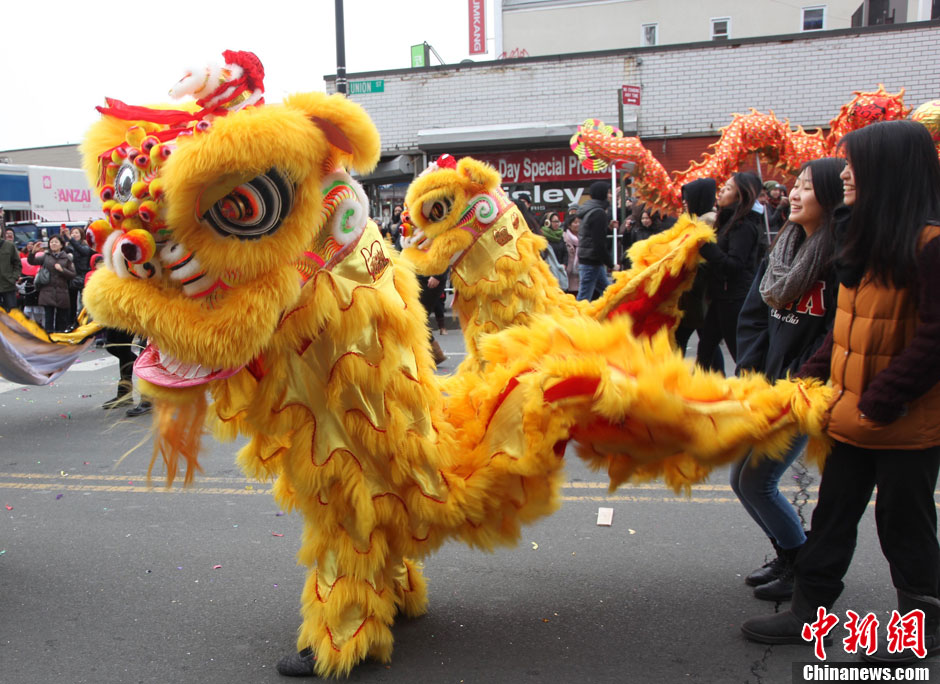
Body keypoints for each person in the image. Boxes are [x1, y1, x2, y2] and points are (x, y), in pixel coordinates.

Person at [742, 120, 940, 664]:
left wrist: (886, 395)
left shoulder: (931, 243)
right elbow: (845, 327)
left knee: (905, 530)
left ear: (889, 171)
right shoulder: (863, 237)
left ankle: (922, 632)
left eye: (854, 164)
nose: (844, 174)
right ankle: (810, 615)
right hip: (850, 415)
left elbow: (933, 337)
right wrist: (811, 373)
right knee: (831, 519)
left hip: (905, 424)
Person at [731, 158, 845, 602]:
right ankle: (787, 555)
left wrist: (800, 381)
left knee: (758, 482)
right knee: (742, 481)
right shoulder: (783, 248)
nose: (794, 194)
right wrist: (752, 371)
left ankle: (799, 564)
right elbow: (755, 316)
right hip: (768, 386)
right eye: (794, 186)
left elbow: (837, 334)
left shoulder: (840, 260)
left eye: (807, 188)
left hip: (805, 393)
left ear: (832, 197)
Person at [695, 172, 764, 373]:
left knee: (739, 354)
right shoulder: (728, 220)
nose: (722, 192)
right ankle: (702, 392)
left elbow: (735, 264)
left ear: (740, 195)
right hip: (721, 297)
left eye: (728, 188)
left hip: (734, 298)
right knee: (705, 348)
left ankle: (752, 394)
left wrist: (707, 248)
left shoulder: (743, 225)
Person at [674, 178, 717, 356]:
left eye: (688, 197)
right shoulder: (694, 220)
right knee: (704, 343)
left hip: (700, 290)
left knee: (702, 342)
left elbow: (707, 256)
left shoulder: (708, 221)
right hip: (692, 292)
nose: (684, 202)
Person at [27, 235, 75, 333]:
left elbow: (73, 274)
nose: (53, 244)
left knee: (61, 318)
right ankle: (49, 337)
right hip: (47, 292)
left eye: (56, 242)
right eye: (51, 242)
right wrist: (33, 252)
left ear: (61, 245)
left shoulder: (67, 258)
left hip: (62, 292)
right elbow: (32, 262)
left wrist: (62, 270)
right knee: (48, 317)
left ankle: (60, 337)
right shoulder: (46, 256)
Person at [576, 180, 613, 301]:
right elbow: (598, 243)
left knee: (609, 292)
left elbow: (591, 234)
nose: (610, 195)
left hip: (591, 260)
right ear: (602, 194)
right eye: (608, 192)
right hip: (592, 261)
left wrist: (608, 228)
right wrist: (611, 264)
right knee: (584, 299)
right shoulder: (599, 213)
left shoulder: (591, 210)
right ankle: (575, 319)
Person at [65, 225, 93, 327]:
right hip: (72, 277)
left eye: (76, 233)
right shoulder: (70, 247)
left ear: (81, 235)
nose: (74, 235)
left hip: (82, 277)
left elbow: (83, 251)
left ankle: (83, 323)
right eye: (72, 233)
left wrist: (70, 239)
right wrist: (61, 236)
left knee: (83, 303)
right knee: (71, 303)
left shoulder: (85, 246)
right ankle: (71, 323)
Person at [0, 227, 21, 311]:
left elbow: (17, 264)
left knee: (12, 313)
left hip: (8, 285)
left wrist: (13, 278)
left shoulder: (9, 246)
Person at [563, 214, 581, 295]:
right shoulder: (565, 237)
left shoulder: (582, 237)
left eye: (579, 222)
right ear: (569, 225)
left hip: (580, 271)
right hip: (568, 271)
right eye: (575, 222)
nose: (578, 224)